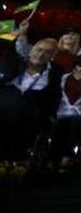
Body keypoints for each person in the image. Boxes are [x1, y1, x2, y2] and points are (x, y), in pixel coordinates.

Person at [0, 27, 64, 179]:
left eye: (47, 52)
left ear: (53, 56)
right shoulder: (13, 62)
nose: (40, 55)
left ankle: (18, 157)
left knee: (29, 113)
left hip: (35, 108)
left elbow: (56, 96)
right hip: (7, 102)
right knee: (11, 105)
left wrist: (52, 115)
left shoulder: (56, 72)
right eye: (38, 49)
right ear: (31, 50)